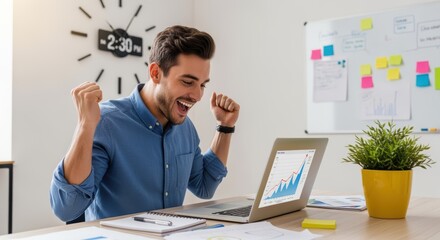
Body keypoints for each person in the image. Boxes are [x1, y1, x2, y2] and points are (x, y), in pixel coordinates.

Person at [50, 25, 240, 222]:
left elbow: (204, 186)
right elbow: (67, 209)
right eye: (187, 82)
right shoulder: (107, 123)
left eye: (202, 85)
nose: (198, 95)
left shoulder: (186, 128)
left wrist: (225, 127)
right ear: (156, 73)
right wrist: (85, 125)